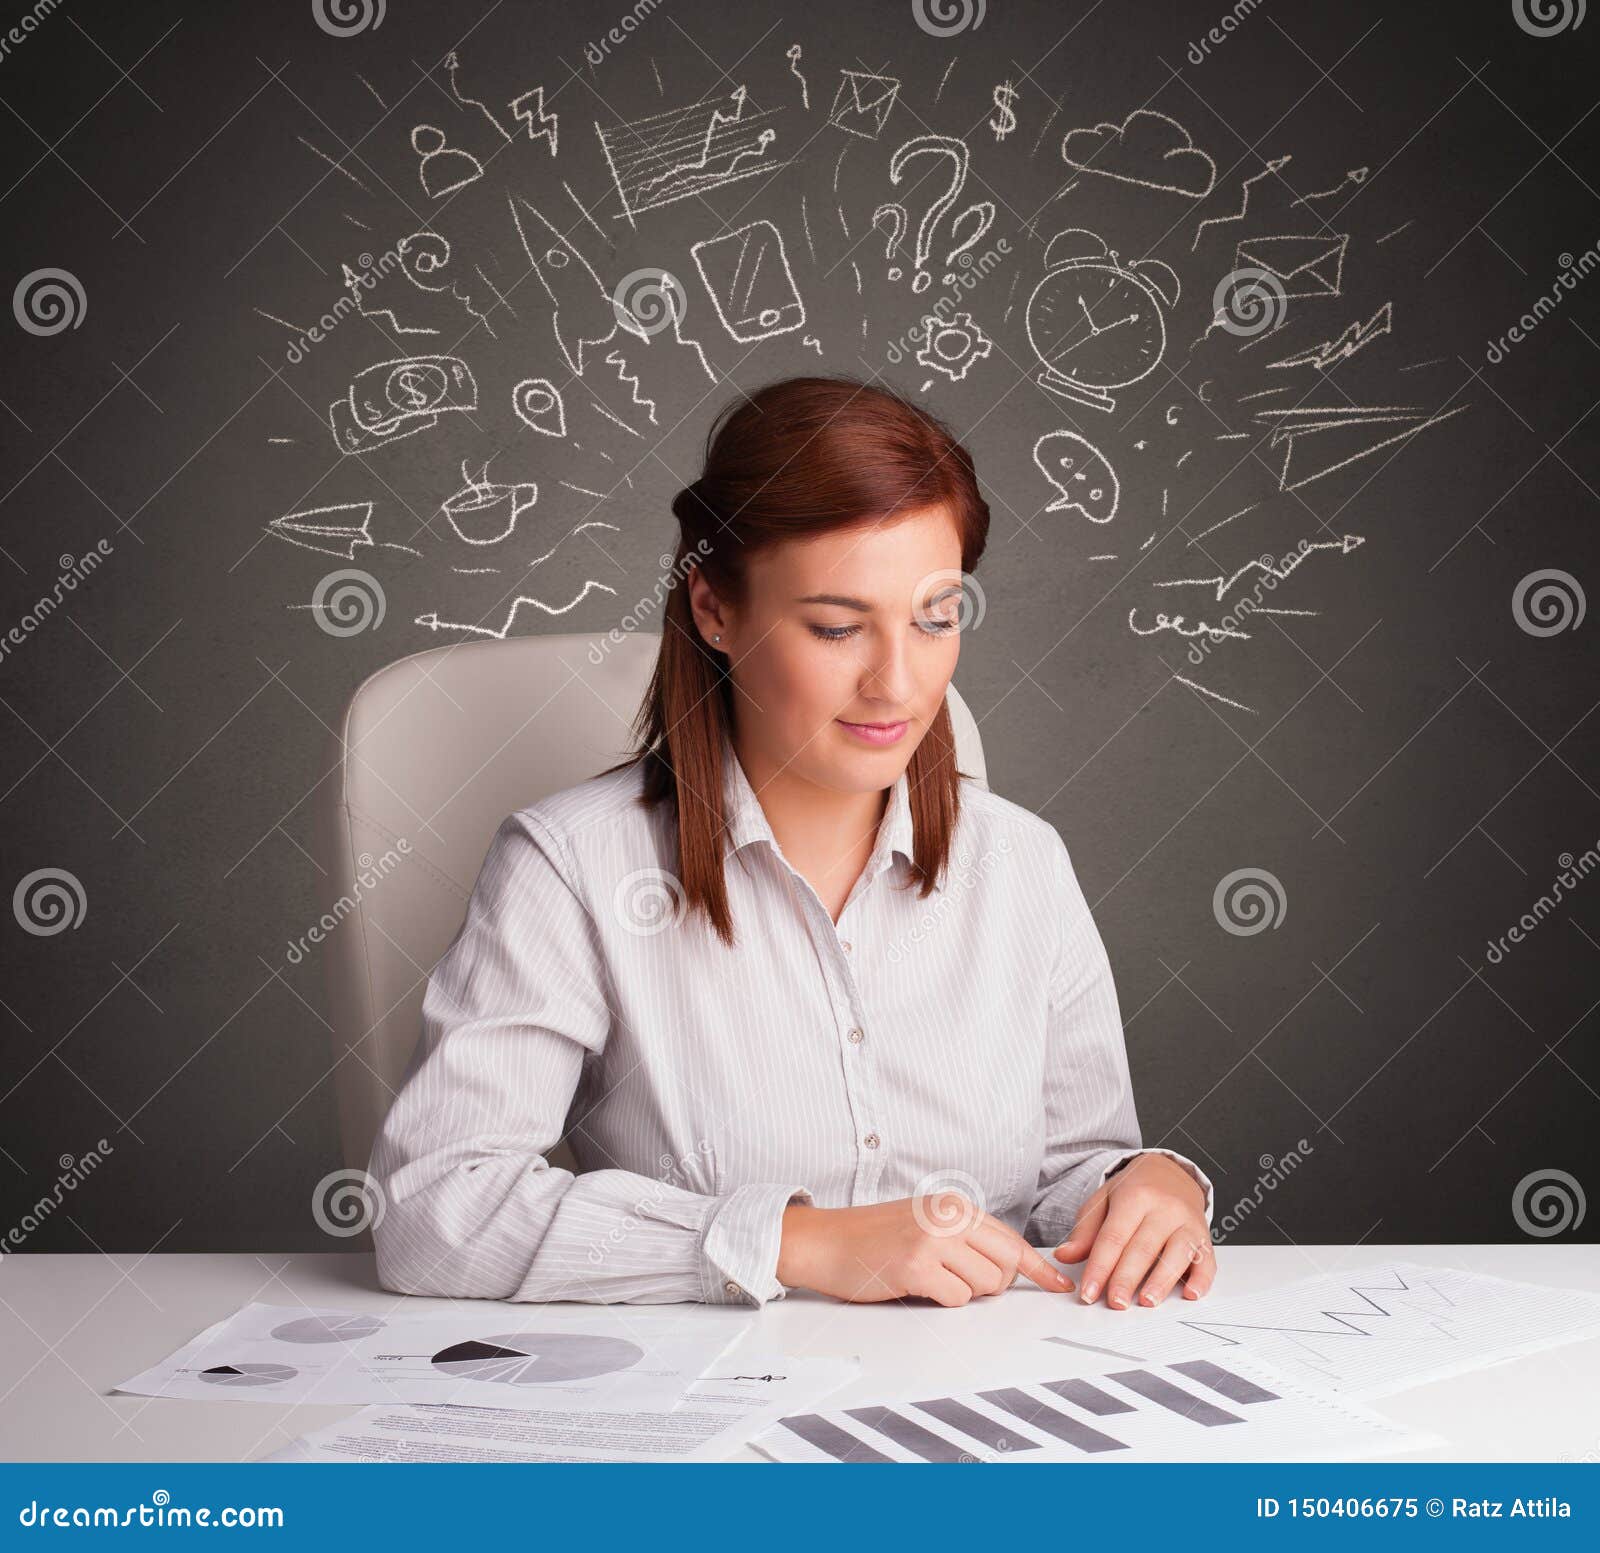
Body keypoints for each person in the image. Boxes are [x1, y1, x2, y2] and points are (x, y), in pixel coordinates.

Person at [369, 375, 1217, 1312]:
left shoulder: (1023, 863)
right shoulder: (571, 867)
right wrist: (799, 1243)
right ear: (713, 610)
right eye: (837, 626)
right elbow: (431, 1207)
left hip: (987, 1403)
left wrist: (1149, 1184)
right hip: (710, 1415)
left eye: (937, 618)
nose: (897, 683)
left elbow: (1075, 1171)